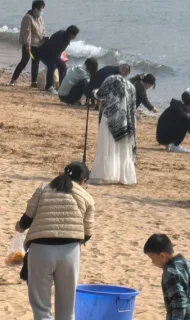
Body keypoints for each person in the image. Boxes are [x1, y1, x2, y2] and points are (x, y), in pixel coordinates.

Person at [15, 161, 94, 320]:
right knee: (66, 309)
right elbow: (87, 234)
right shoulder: (86, 197)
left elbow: (26, 219)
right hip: (69, 252)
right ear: (83, 180)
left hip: (40, 250)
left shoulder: (43, 189)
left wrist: (19, 228)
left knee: (41, 308)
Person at [89, 72, 138, 185]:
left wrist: (94, 91)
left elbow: (100, 94)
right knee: (123, 149)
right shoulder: (131, 87)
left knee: (107, 146)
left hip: (110, 118)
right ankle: (123, 176)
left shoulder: (110, 80)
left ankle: (106, 174)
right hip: (126, 121)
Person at [144, 234, 190, 320]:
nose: (152, 262)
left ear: (162, 256)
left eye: (152, 258)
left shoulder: (170, 273)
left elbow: (179, 303)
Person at [10, 0, 46, 86]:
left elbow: (43, 29)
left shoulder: (40, 17)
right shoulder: (27, 18)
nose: (41, 11)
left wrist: (44, 38)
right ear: (35, 9)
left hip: (38, 44)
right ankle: (13, 79)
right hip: (29, 44)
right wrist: (28, 45)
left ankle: (34, 82)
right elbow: (27, 32)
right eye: (41, 9)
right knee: (24, 61)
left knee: (35, 62)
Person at [39, 25, 80, 95]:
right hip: (46, 53)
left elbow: (58, 52)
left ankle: (61, 87)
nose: (75, 37)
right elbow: (55, 52)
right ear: (71, 34)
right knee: (52, 66)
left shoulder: (62, 33)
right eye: (75, 35)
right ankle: (49, 87)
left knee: (61, 67)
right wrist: (62, 62)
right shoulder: (64, 39)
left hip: (49, 52)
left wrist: (62, 61)